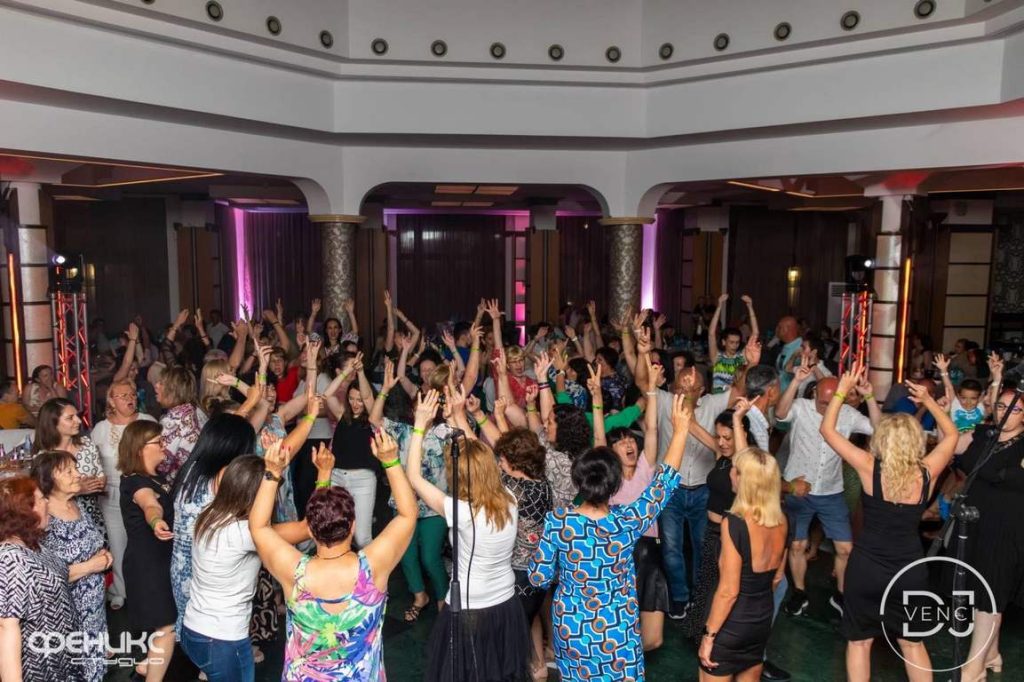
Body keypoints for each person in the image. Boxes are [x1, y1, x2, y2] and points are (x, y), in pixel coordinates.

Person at [530, 391, 692, 681]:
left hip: (573, 630)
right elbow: (664, 484)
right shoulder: (627, 521)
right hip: (617, 632)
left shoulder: (558, 523)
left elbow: (539, 578)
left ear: (579, 481)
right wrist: (680, 431)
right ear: (614, 485)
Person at [820, 366, 958, 682]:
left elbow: (827, 430)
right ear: (916, 441)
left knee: (860, 642)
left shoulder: (869, 467)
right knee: (912, 643)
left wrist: (842, 390)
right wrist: (929, 400)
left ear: (882, 440)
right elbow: (951, 435)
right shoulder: (926, 472)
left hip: (867, 567)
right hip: (909, 569)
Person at [250, 432, 416, 680]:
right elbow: (407, 514)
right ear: (352, 526)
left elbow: (259, 527)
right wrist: (391, 462)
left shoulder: (293, 571)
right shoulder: (372, 566)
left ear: (311, 531)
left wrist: (272, 472)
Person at [406, 389, 531, 682]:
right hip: (505, 601)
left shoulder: (460, 511)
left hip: (471, 607)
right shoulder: (509, 497)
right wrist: (459, 416)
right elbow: (481, 457)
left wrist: (420, 425)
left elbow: (413, 477)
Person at [181, 454, 312, 682]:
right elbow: (306, 528)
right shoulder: (243, 534)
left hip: (193, 631)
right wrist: (324, 474)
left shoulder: (209, 514)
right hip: (222, 641)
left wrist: (271, 466)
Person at [775, 366, 881, 618]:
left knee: (845, 549)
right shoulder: (801, 407)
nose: (827, 408)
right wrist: (795, 381)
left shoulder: (848, 414)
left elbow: (879, 429)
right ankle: (799, 592)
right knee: (797, 545)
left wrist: (869, 397)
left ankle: (841, 595)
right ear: (814, 394)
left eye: (833, 402)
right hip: (799, 489)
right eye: (823, 403)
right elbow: (780, 414)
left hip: (832, 491)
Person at [370, 357, 453, 623]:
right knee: (406, 555)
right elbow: (374, 419)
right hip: (405, 504)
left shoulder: (444, 432)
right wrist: (384, 389)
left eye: (428, 406)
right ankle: (420, 596)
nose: (423, 410)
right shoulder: (403, 431)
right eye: (419, 405)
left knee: (430, 557)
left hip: (435, 506)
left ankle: (443, 599)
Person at [697, 448, 789, 681]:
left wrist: (709, 636)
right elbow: (777, 578)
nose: (730, 473)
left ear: (743, 480)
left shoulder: (734, 524)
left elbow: (728, 592)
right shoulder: (784, 520)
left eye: (735, 469)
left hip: (731, 626)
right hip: (761, 622)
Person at [603, 356, 670, 652]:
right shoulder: (607, 479)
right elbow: (598, 438)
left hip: (649, 553)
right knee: (617, 626)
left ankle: (625, 657)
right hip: (618, 555)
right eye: (620, 442)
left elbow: (652, 430)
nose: (629, 444)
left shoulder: (645, 468)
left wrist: (652, 390)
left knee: (653, 639)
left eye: (630, 439)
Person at [957, 385, 1024, 681]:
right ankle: (992, 653)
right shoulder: (985, 433)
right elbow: (953, 448)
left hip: (1007, 529)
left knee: (990, 595)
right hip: (975, 523)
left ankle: (974, 668)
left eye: (1015, 409)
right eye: (1001, 406)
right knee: (978, 591)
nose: (1006, 413)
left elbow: (1010, 478)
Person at [170, 413, 257, 636]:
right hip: (207, 568)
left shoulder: (191, 469)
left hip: (181, 565)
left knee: (190, 627)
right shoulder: (224, 477)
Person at [30, 451, 113, 682]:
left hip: (94, 611)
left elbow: (90, 544)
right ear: (49, 479)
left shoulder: (76, 505)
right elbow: (44, 575)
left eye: (75, 468)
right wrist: (92, 565)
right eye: (69, 471)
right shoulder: (43, 520)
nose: (78, 474)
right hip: (68, 615)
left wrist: (102, 556)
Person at [682, 406, 752, 643]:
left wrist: (738, 419)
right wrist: (686, 398)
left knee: (722, 587)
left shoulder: (747, 463)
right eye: (719, 436)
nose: (721, 442)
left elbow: (743, 457)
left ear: (741, 434)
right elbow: (692, 427)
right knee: (705, 581)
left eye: (727, 437)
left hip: (729, 534)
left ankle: (712, 636)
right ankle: (697, 631)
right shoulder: (721, 454)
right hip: (710, 529)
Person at [0, 476, 81, 681]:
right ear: (26, 510)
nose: (47, 502)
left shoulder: (31, 543)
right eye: (42, 498)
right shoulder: (11, 557)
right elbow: (6, 626)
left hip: (62, 657)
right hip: (42, 668)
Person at [118, 419, 177, 681]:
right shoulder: (136, 482)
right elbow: (150, 504)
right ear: (141, 448)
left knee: (165, 625)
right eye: (159, 442)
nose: (164, 446)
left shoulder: (156, 478)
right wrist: (156, 522)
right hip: (148, 565)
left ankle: (148, 665)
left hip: (159, 560)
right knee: (166, 628)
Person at [91, 377, 157, 609]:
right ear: (111, 401)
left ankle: (146, 589)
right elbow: (92, 463)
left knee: (144, 544)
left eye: (132, 394)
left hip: (143, 492)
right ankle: (120, 590)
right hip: (111, 495)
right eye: (123, 395)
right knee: (118, 544)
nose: (130, 399)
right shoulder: (101, 429)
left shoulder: (147, 422)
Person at [492, 426, 552, 677]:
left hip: (519, 574)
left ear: (515, 462)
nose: (499, 462)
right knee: (528, 620)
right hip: (540, 570)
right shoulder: (543, 485)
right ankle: (538, 667)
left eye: (503, 458)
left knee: (511, 637)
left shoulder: (515, 488)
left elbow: (486, 470)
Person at [325, 352, 381, 548]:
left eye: (359, 400)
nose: (355, 404)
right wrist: (346, 372)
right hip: (337, 476)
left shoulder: (373, 419)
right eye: (351, 399)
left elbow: (367, 396)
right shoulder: (342, 414)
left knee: (362, 538)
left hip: (363, 479)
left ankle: (374, 568)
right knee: (337, 531)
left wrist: (360, 371)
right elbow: (327, 394)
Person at [34, 398, 106, 532]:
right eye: (70, 418)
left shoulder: (86, 444)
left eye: (77, 416)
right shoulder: (44, 457)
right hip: (61, 520)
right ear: (53, 423)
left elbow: (101, 476)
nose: (78, 421)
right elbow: (43, 493)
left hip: (92, 513)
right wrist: (79, 489)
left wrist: (97, 483)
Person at [155, 364, 207, 482]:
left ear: (173, 390)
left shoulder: (173, 420)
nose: (156, 385)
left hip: (180, 484)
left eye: (161, 383)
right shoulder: (198, 411)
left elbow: (162, 463)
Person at [709, 294, 759, 394]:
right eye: (731, 342)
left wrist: (750, 307)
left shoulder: (741, 357)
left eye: (737, 342)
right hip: (717, 400)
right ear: (724, 342)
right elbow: (711, 333)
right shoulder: (717, 357)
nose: (735, 345)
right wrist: (719, 306)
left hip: (735, 399)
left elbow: (755, 334)